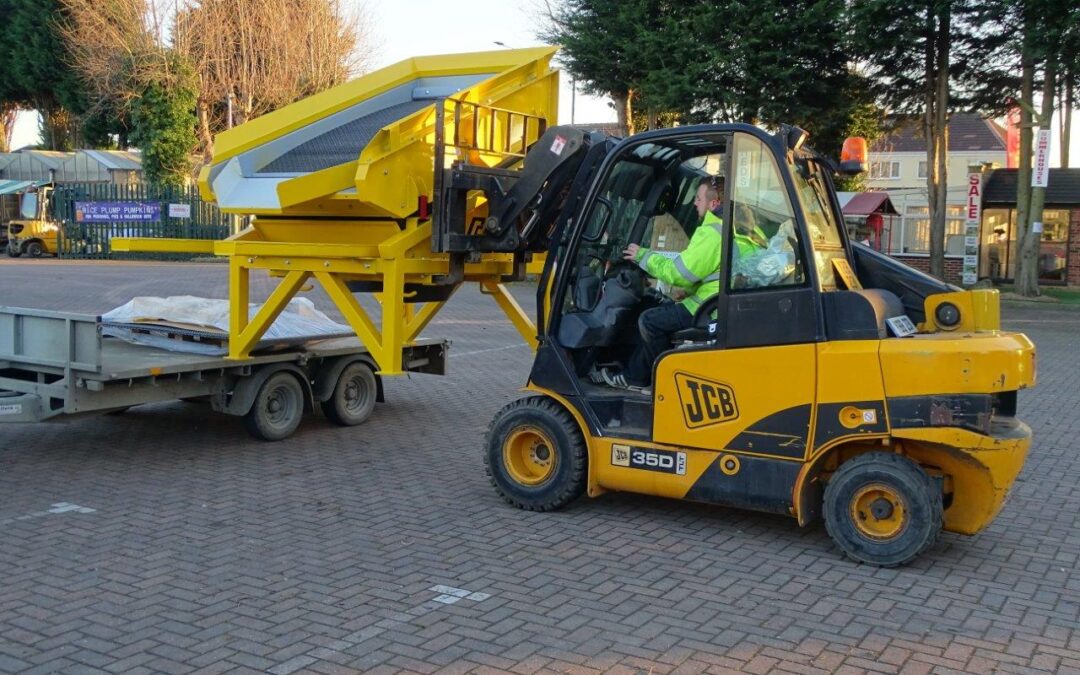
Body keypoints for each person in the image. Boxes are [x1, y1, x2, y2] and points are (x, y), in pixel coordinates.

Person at [599, 175, 763, 390]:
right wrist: (688, 290)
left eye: (698, 198)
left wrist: (643, 256)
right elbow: (716, 272)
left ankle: (639, 378)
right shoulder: (747, 231)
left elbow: (679, 273)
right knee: (659, 308)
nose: (694, 203)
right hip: (722, 306)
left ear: (714, 203)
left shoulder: (713, 233)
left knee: (649, 320)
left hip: (706, 308)